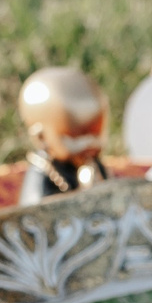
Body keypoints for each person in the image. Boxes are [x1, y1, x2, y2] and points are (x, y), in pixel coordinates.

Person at [18, 66, 112, 205]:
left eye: (96, 134)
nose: (90, 144)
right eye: (75, 138)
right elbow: (33, 211)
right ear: (41, 137)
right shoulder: (43, 173)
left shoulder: (92, 162)